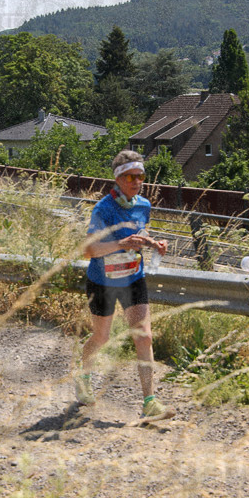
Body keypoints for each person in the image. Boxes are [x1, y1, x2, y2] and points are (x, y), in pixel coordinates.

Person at [75, 150, 173, 419]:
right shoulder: (103, 209)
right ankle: (83, 377)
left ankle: (149, 403)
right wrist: (119, 244)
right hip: (102, 281)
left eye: (140, 176)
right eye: (130, 176)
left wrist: (154, 243)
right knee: (102, 337)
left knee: (143, 335)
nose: (136, 181)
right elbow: (89, 250)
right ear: (118, 178)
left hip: (133, 278)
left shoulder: (144, 205)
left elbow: (140, 233)